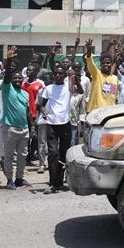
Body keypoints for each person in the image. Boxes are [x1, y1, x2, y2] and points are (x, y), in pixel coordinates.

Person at [39, 65, 82, 194]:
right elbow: (41, 105)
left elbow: (80, 91)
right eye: (56, 73)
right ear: (53, 75)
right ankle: (52, 183)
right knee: (53, 153)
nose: (58, 75)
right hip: (51, 124)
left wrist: (75, 78)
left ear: (64, 75)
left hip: (65, 124)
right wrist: (44, 111)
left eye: (60, 74)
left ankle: (59, 182)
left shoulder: (68, 87)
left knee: (64, 153)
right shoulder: (48, 88)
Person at [1, 47, 32, 190]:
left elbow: (27, 112)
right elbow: (7, 76)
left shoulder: (25, 93)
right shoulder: (7, 88)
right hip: (9, 128)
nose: (18, 79)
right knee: (8, 156)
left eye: (20, 78)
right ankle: (9, 180)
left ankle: (19, 179)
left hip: (24, 128)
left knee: (22, 156)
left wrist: (31, 128)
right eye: (16, 78)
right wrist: (9, 61)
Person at [84, 39, 119, 112]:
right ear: (100, 64)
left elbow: (114, 97)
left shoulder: (115, 78)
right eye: (103, 63)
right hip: (95, 112)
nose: (105, 64)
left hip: (109, 113)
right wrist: (89, 50)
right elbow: (90, 62)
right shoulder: (96, 74)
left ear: (111, 63)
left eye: (108, 63)